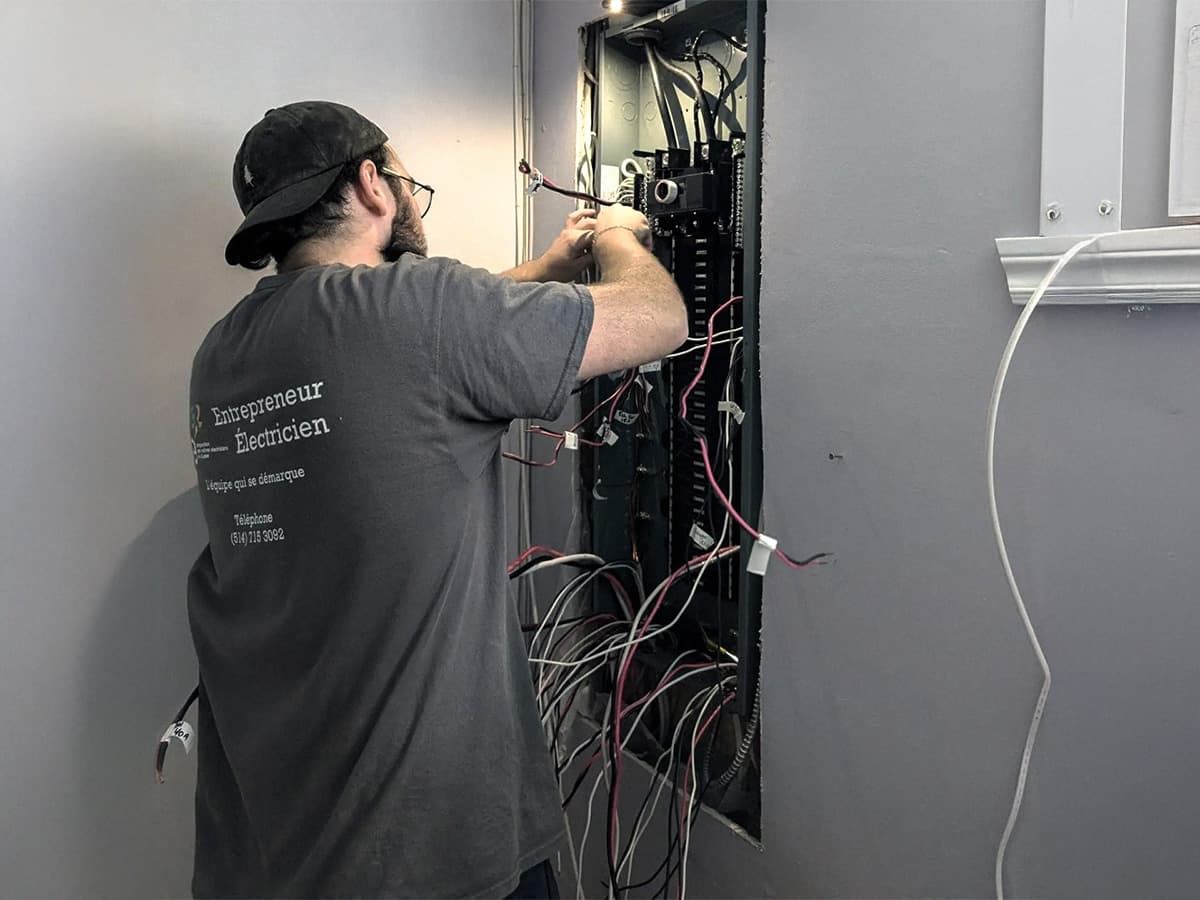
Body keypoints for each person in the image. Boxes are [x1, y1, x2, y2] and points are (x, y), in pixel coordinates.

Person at [186, 100, 686, 899]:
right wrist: (619, 237)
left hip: (277, 841)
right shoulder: (415, 311)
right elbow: (659, 318)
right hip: (432, 848)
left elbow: (409, 349)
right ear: (373, 184)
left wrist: (550, 268)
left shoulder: (229, 352)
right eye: (407, 179)